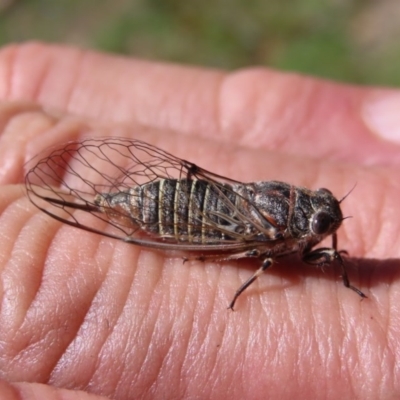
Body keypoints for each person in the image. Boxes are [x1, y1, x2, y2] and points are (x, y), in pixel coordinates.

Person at [0, 42, 399, 400]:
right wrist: (227, 270)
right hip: (193, 218)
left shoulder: (302, 218)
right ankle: (108, 207)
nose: (328, 232)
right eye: (320, 225)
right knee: (251, 252)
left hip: (215, 198)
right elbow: (262, 260)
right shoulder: (277, 238)